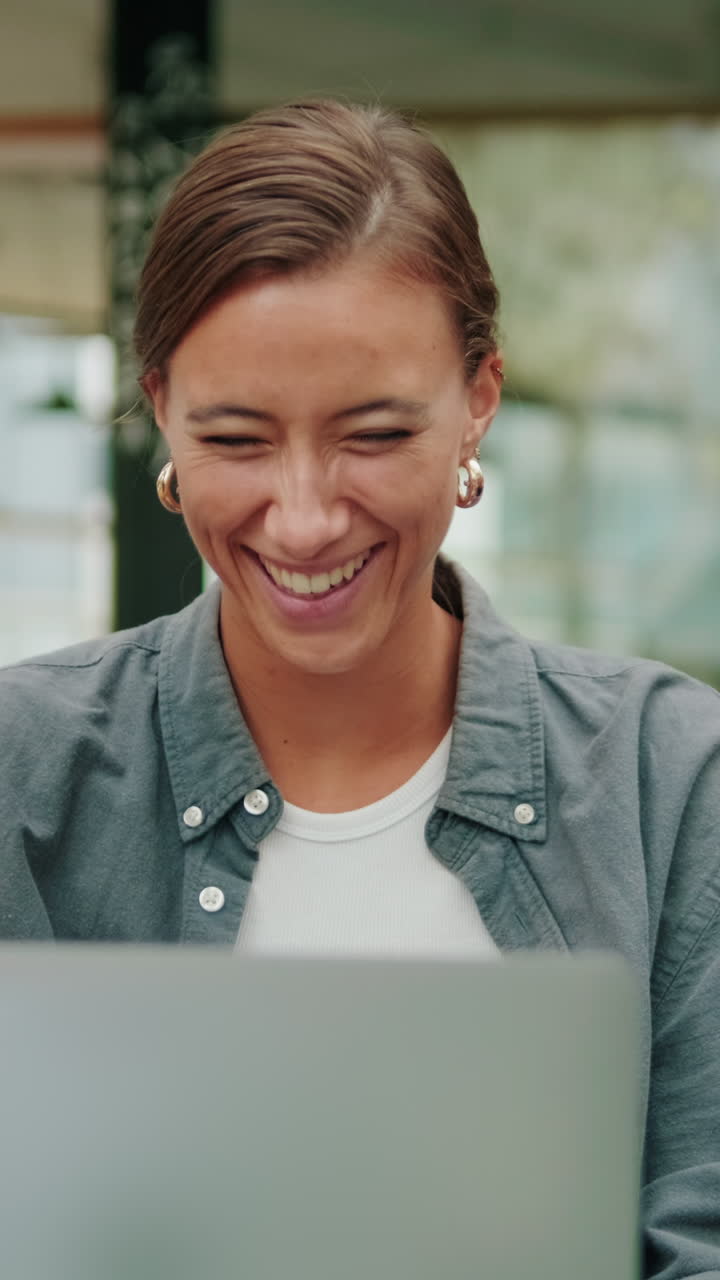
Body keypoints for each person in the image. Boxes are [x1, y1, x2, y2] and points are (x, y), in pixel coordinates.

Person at [1, 99, 719, 1277]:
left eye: (374, 433)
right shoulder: (21, 773)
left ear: (479, 397)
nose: (303, 516)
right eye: (235, 438)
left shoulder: (670, 778)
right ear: (161, 409)